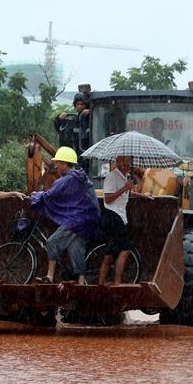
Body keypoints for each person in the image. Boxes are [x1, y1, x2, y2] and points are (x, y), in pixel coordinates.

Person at [29, 146, 101, 284]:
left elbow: (51, 194)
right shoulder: (80, 176)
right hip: (89, 218)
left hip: (77, 219)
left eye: (57, 163)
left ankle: (49, 277)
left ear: (63, 163)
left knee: (52, 242)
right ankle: (80, 282)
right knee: (75, 248)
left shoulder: (68, 180)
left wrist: (36, 196)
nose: (55, 166)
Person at [98, 155, 152, 286]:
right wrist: (125, 188)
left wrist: (142, 195)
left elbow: (125, 194)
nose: (125, 164)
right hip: (113, 217)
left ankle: (101, 283)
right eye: (122, 161)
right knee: (126, 249)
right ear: (117, 162)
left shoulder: (123, 177)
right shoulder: (112, 176)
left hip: (117, 217)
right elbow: (108, 198)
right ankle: (117, 282)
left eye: (128, 161)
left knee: (111, 252)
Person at [54, 92, 90, 157]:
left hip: (89, 152)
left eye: (82, 104)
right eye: (78, 104)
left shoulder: (92, 118)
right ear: (75, 105)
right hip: (76, 153)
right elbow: (58, 125)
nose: (80, 106)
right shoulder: (73, 120)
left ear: (86, 105)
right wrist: (59, 117)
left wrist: (91, 113)